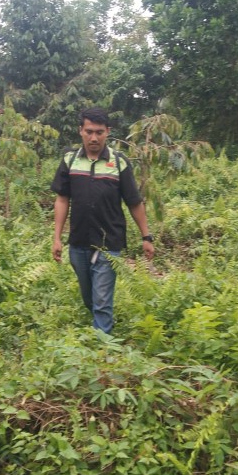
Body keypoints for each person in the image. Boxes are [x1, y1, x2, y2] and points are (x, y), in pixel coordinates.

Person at [51, 107, 155, 336]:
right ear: (80, 131)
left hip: (109, 243)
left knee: (101, 301)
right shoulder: (69, 161)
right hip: (78, 242)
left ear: (108, 132)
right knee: (89, 297)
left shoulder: (119, 163)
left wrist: (146, 237)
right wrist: (57, 238)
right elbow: (62, 199)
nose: (94, 137)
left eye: (99, 132)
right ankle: (102, 327)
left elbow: (134, 202)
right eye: (89, 131)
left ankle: (102, 352)